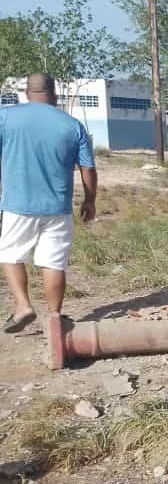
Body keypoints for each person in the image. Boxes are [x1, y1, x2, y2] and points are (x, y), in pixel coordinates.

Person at [0, 73, 97, 333]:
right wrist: (90, 201)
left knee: (10, 254)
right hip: (58, 207)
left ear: (27, 92)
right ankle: (54, 318)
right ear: (53, 93)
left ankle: (23, 306)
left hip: (18, 205)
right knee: (54, 262)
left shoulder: (6, 117)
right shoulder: (73, 125)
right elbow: (87, 168)